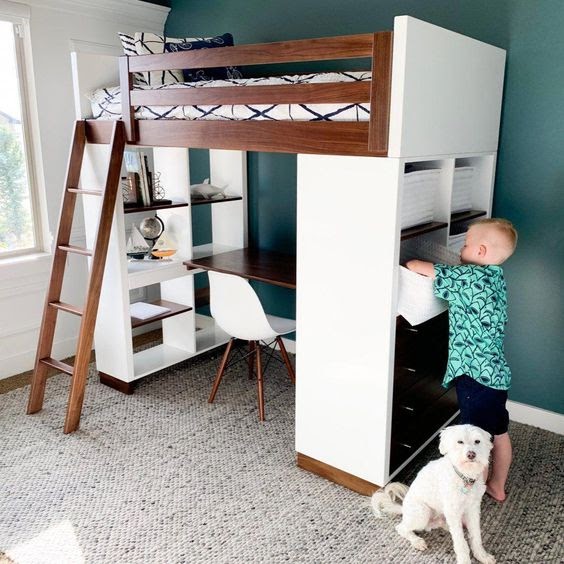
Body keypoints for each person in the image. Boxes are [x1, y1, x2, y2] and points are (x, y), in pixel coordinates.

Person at [406, 218, 518, 502]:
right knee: (499, 433)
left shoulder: (467, 277)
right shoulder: (495, 277)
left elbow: (418, 267)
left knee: (474, 442)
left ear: (480, 251)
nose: (461, 249)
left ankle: (473, 495)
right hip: (495, 376)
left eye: (465, 244)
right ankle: (497, 485)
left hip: (474, 378)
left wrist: (410, 262)